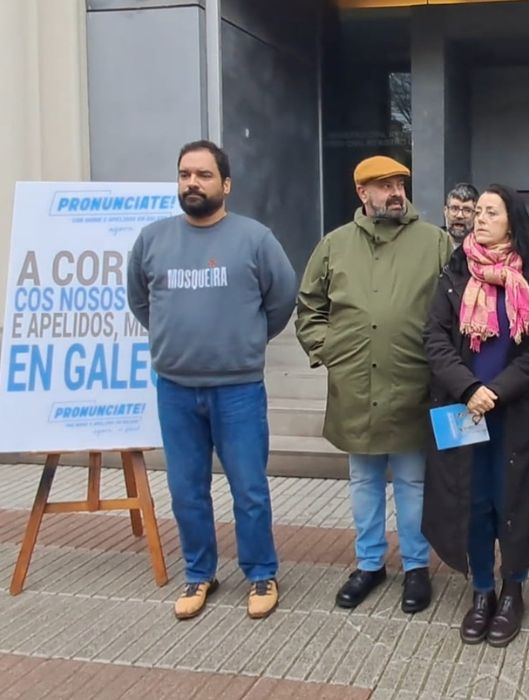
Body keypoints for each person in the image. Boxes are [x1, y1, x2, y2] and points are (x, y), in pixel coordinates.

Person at [127, 140, 297, 621]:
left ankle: (261, 572)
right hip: (176, 388)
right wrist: (174, 342)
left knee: (248, 488)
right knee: (186, 490)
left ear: (225, 184)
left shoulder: (255, 239)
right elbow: (141, 302)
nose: (192, 183)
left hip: (238, 388)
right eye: (185, 175)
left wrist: (245, 341)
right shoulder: (152, 240)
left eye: (203, 175)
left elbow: (282, 299)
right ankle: (199, 573)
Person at [296, 155, 450, 614]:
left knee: (412, 481)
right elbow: (310, 306)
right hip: (355, 383)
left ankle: (417, 567)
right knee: (363, 479)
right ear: (362, 193)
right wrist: (329, 350)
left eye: (400, 182)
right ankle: (369, 564)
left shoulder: (436, 242)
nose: (395, 192)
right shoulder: (334, 245)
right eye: (383, 185)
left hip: (413, 381)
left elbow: (458, 306)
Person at [422, 184, 529, 648]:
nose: (479, 219)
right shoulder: (454, 272)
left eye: (490, 212)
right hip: (463, 410)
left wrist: (495, 392)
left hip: (516, 413)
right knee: (472, 501)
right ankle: (481, 590)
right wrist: (469, 388)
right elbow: (435, 340)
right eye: (476, 211)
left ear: (511, 221)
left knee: (513, 501)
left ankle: (513, 588)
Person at [442, 182, 479, 248]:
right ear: (445, 212)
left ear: (476, 215)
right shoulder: (433, 243)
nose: (460, 215)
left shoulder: (485, 251)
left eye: (467, 210)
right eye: (454, 209)